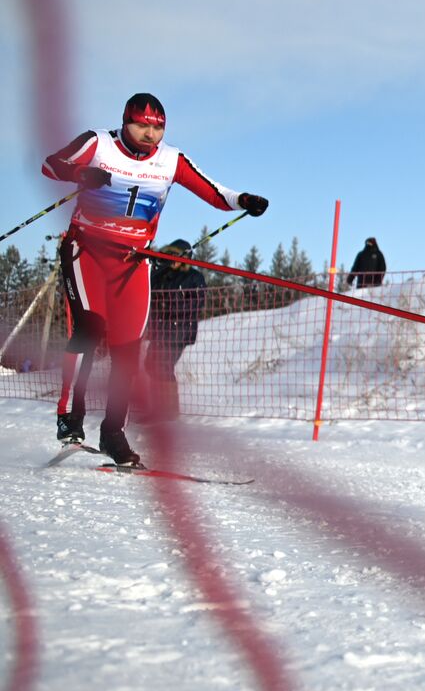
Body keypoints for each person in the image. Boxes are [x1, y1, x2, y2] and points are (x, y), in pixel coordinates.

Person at [40, 92, 268, 466]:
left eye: (157, 127)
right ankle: (70, 420)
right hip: (87, 251)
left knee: (128, 350)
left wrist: (243, 200)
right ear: (125, 121)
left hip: (134, 261)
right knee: (90, 329)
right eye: (141, 125)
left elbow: (213, 191)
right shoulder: (97, 143)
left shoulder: (170, 160)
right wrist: (81, 173)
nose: (149, 134)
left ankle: (113, 433)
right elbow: (52, 165)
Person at [142, 238, 206, 422]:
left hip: (179, 331)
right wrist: (158, 266)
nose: (172, 259)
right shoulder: (163, 275)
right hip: (159, 329)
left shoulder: (194, 277)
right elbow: (149, 289)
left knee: (163, 365)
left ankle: (167, 412)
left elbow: (195, 304)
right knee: (150, 364)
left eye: (175, 255)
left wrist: (170, 306)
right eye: (169, 255)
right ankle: (159, 409)